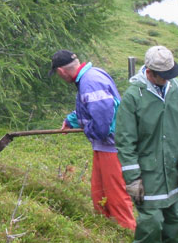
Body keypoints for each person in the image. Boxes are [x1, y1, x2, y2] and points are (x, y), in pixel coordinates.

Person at [49, 49, 136, 230]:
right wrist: (71, 121)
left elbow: (102, 125)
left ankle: (131, 242)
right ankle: (106, 234)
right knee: (100, 195)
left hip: (112, 147)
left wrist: (88, 129)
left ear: (61, 71)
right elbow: (88, 108)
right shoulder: (89, 78)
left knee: (116, 198)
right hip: (103, 147)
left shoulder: (91, 82)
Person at [116, 45, 178, 243]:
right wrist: (133, 178)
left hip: (173, 168)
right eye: (163, 76)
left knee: (174, 218)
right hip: (148, 173)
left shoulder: (175, 88)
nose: (168, 79)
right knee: (151, 221)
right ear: (150, 72)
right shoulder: (134, 96)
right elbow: (125, 140)